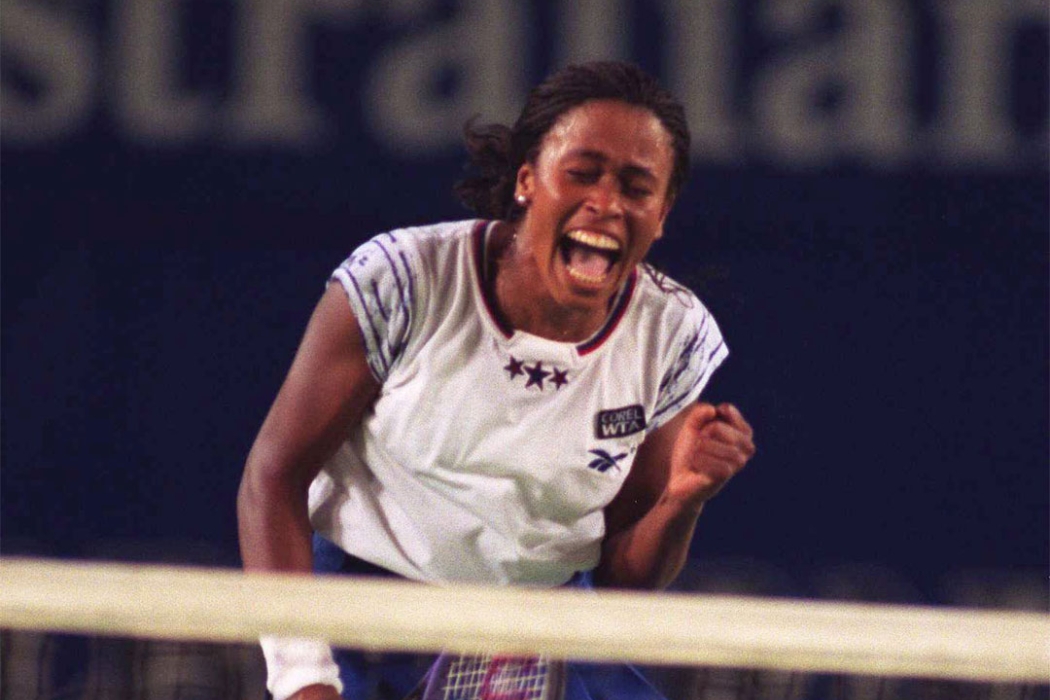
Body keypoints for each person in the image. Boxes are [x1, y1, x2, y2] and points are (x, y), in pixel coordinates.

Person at [237, 60, 755, 700]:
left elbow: (622, 581)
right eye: (582, 173)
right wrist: (302, 677)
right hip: (367, 623)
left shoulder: (673, 337)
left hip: (544, 637)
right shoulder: (402, 281)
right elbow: (273, 476)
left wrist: (684, 499)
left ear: (662, 213)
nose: (606, 203)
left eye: (636, 186)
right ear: (526, 181)